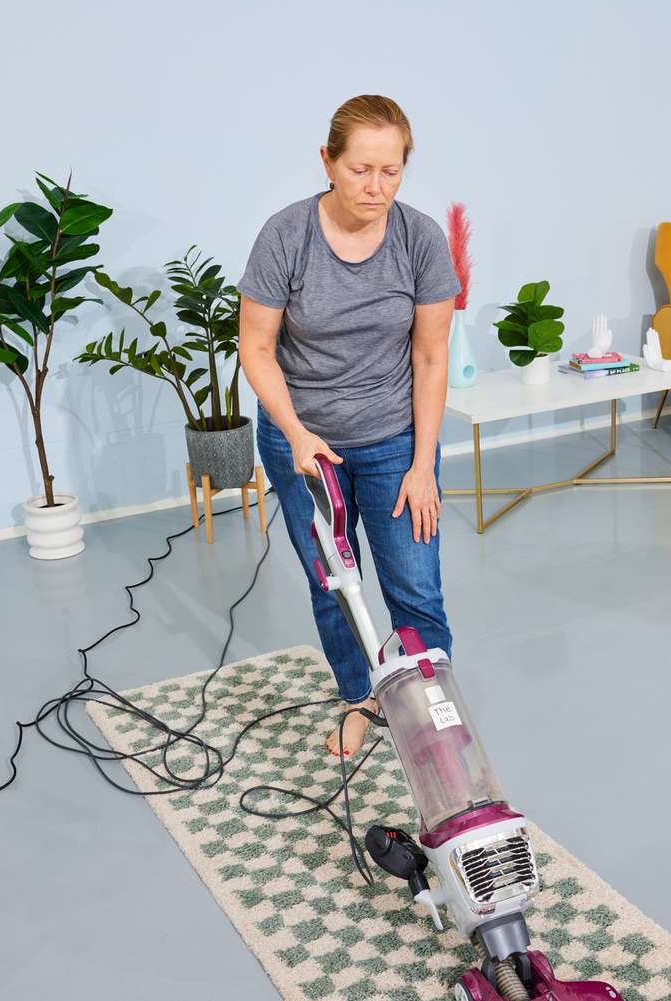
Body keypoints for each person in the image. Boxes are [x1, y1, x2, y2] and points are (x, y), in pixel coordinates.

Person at [237, 94, 461, 758]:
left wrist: (422, 465)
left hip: (396, 436)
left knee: (415, 581)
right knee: (335, 581)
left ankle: (429, 711)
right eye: (361, 168)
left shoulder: (420, 239)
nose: (376, 186)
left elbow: (430, 355)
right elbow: (255, 347)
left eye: (391, 171)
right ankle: (358, 698)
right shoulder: (286, 235)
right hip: (303, 439)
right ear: (328, 161)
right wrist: (296, 433)